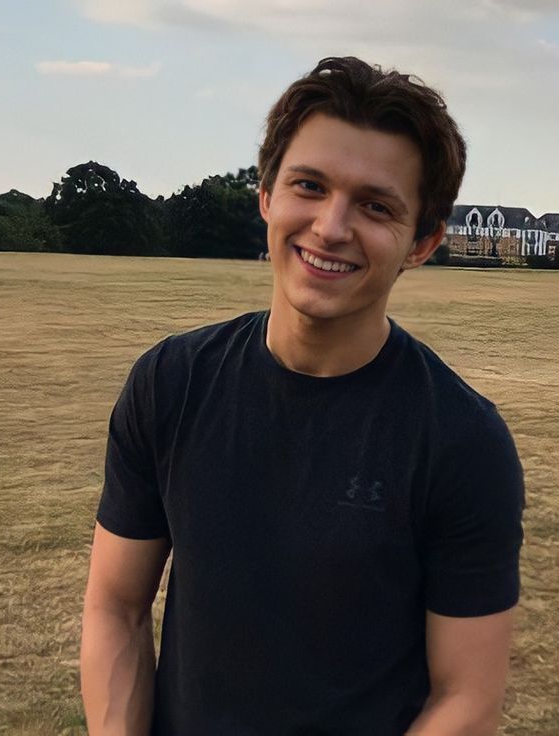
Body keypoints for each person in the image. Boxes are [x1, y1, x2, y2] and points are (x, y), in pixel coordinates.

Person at [80, 56, 525, 735]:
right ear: (266, 195)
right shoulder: (171, 384)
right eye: (309, 186)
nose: (331, 226)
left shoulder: (461, 441)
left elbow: (467, 699)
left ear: (423, 241)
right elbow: (116, 605)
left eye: (375, 206)